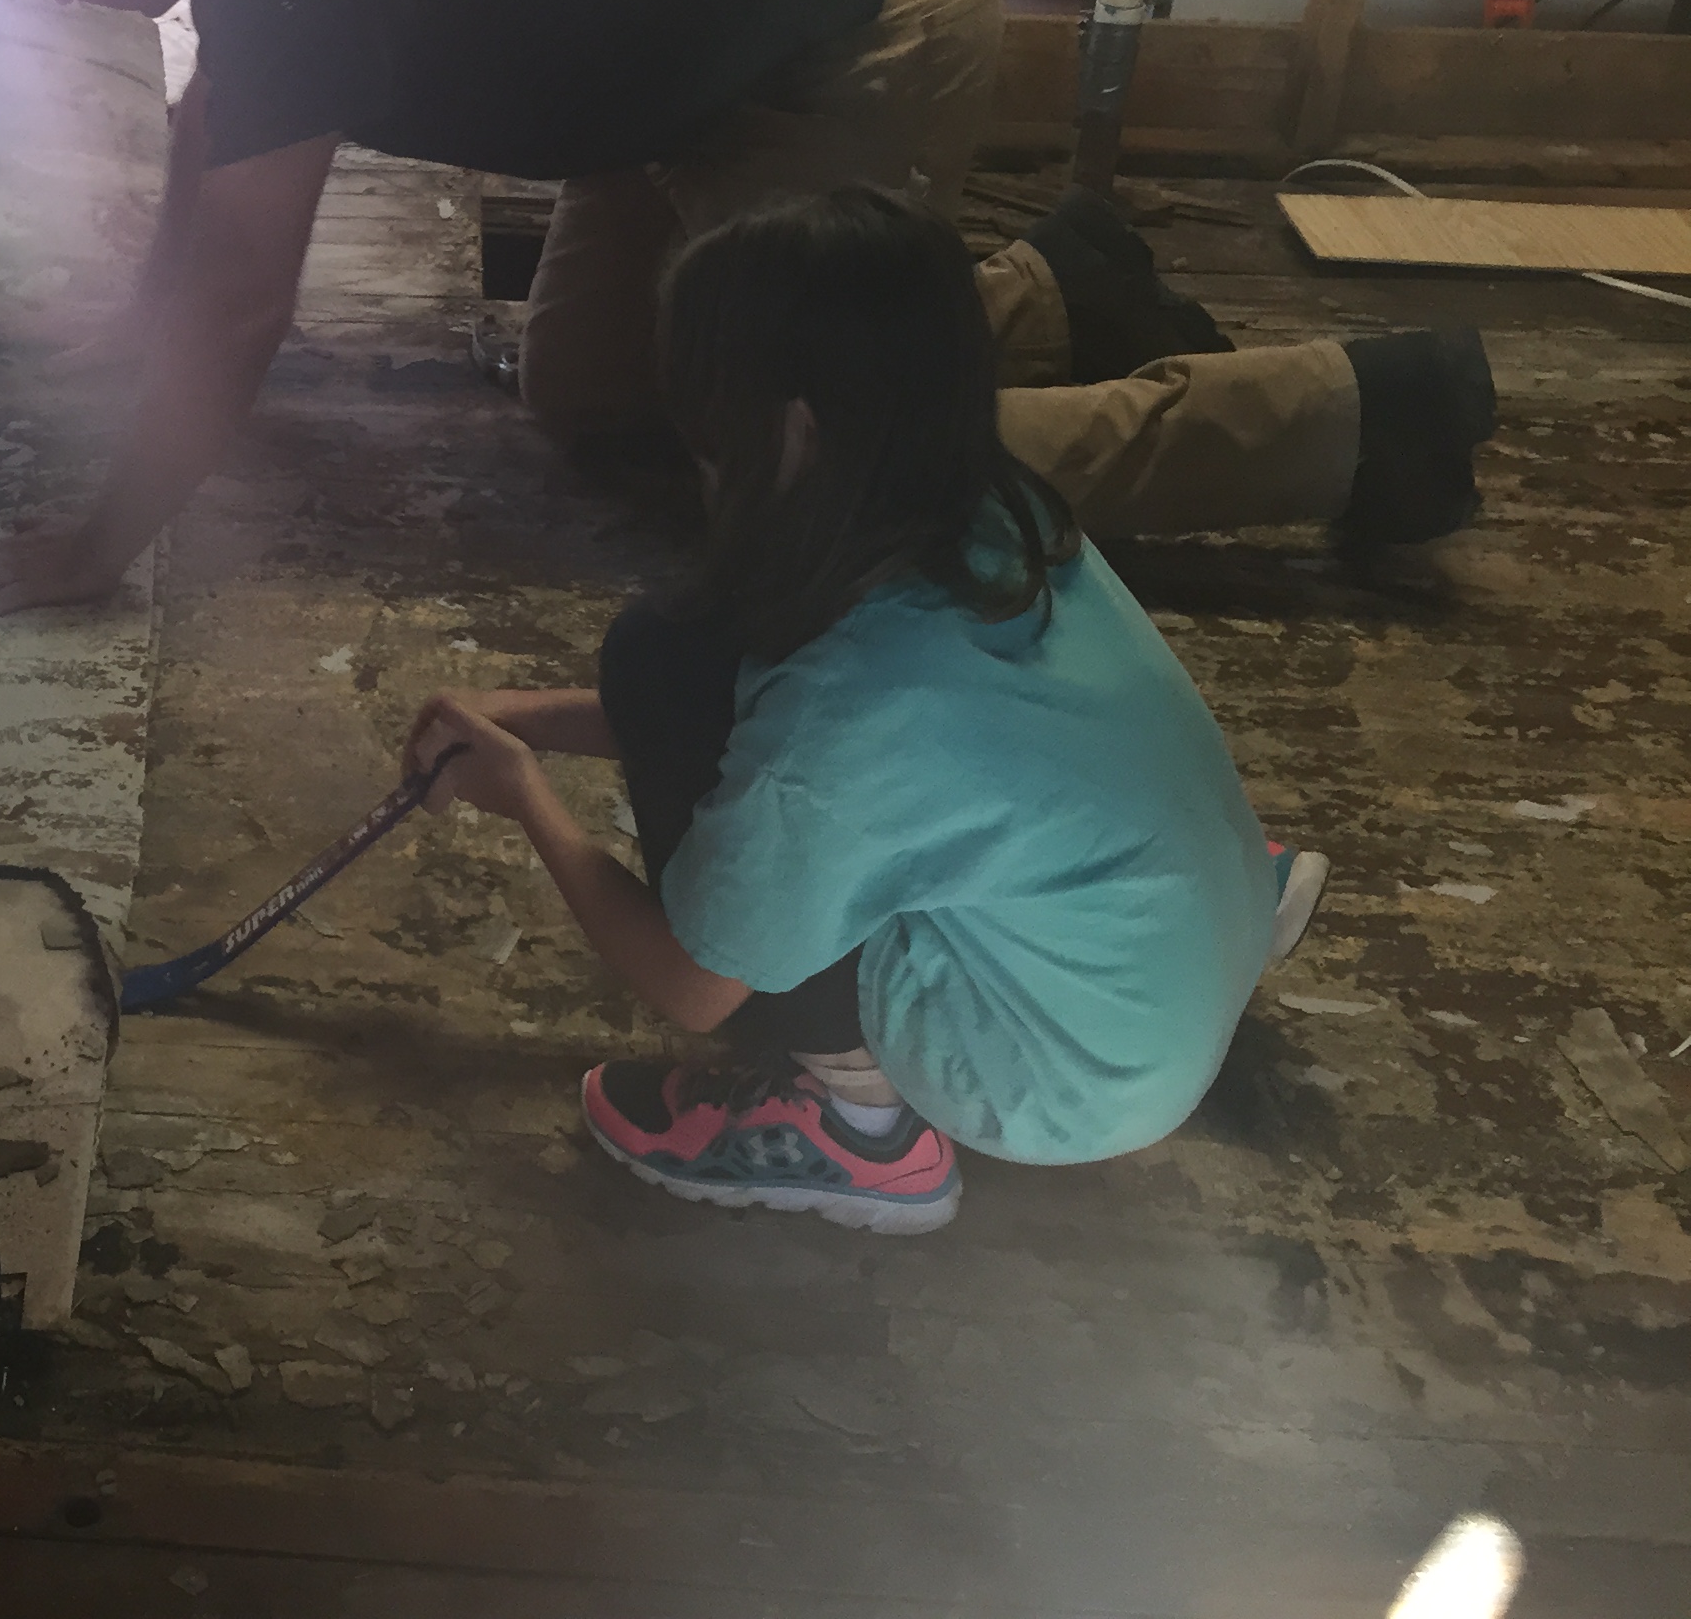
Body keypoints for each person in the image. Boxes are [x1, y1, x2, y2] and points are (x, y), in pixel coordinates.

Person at [0, 0, 1493, 622]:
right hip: (688, 70)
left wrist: (91, 554)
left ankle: (1363, 417)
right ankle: (1061, 286)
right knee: (586, 393)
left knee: (813, 485)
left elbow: (246, 304)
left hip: (851, 14)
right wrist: (133, 324)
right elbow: (215, 133)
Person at [401, 188, 1322, 1233]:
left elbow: (692, 982)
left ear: (794, 432)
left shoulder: (851, 713)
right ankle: (1190, 898)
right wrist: (525, 718)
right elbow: (742, 723)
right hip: (1176, 944)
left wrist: (525, 795)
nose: (701, 468)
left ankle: (859, 1124)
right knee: (685, 661)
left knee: (673, 674)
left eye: (708, 439)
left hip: (1066, 1083)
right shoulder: (992, 509)